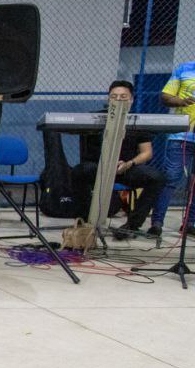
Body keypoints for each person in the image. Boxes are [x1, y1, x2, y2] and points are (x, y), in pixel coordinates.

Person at [69, 80, 165, 240]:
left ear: (131, 99)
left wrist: (130, 163)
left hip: (126, 168)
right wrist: (106, 163)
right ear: (108, 99)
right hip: (100, 167)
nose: (118, 100)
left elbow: (147, 153)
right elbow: (87, 155)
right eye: (114, 96)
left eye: (123, 96)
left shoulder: (137, 122)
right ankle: (86, 221)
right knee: (79, 172)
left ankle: (131, 226)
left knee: (157, 178)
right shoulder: (95, 120)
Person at [151, 60, 195, 238]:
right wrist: (181, 101)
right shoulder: (185, 69)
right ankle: (157, 223)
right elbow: (165, 97)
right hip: (181, 136)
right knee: (170, 179)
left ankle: (190, 223)